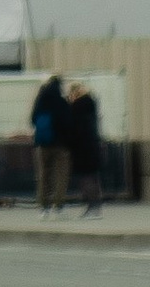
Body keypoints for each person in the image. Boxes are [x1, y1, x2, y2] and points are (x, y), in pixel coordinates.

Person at [30, 70, 71, 214]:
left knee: (43, 175)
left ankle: (43, 205)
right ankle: (58, 205)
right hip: (60, 144)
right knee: (60, 175)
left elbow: (33, 119)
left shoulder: (40, 100)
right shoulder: (62, 101)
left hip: (42, 143)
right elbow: (67, 122)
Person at [62, 78, 105, 215]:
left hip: (82, 148)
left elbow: (74, 130)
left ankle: (91, 206)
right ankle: (96, 205)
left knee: (85, 178)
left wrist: (69, 142)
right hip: (92, 145)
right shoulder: (91, 104)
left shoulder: (76, 108)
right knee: (93, 177)